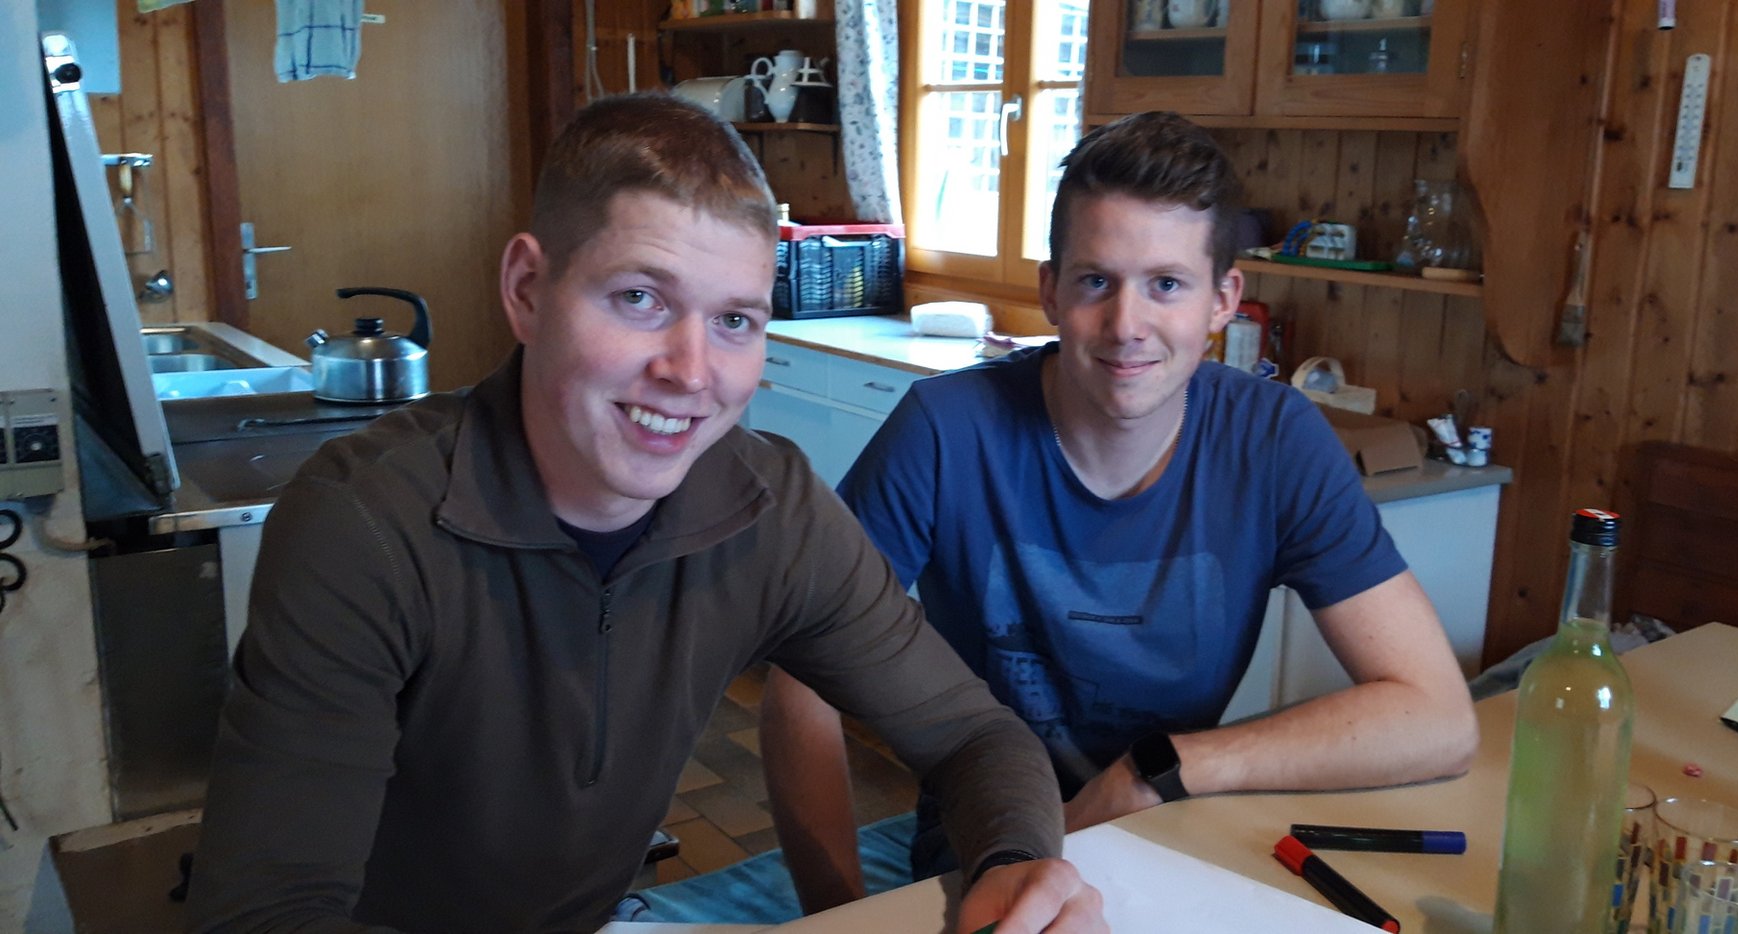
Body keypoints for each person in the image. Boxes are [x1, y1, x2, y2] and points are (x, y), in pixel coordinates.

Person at [185, 94, 1102, 934]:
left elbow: (973, 735)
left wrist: (1017, 866)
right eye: (639, 298)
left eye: (735, 321)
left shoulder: (772, 508)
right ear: (528, 290)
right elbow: (265, 914)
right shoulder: (366, 525)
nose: (691, 372)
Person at [761, 111, 1480, 912]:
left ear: (1223, 301)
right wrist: (835, 913)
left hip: (1176, 838)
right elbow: (802, 683)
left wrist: (1159, 769)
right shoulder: (945, 429)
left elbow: (1439, 720)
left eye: (1166, 284)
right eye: (1096, 281)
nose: (1126, 326)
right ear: (1050, 290)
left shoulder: (1276, 440)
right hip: (983, 858)